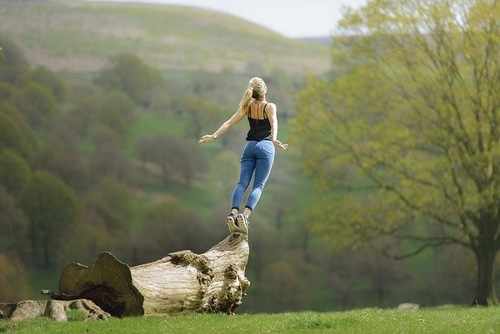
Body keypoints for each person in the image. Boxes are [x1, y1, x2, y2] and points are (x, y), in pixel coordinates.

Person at [199, 77, 288, 234]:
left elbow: (228, 122)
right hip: (266, 147)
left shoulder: (247, 107)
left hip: (250, 147)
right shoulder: (270, 106)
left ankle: (233, 212)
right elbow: (274, 122)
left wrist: (214, 136)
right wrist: (274, 140)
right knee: (258, 185)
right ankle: (245, 216)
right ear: (265, 90)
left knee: (241, 183)